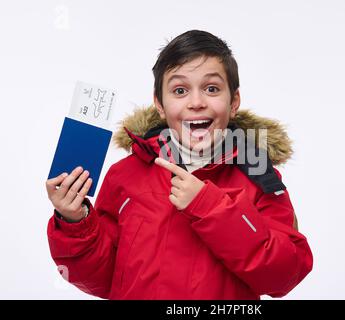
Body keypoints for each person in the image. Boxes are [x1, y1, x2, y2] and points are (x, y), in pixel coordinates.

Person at [45, 30, 313, 300]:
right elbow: (103, 279)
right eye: (180, 90)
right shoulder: (125, 175)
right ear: (159, 104)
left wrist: (210, 206)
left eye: (211, 89)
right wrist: (75, 222)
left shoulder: (259, 175)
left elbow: (284, 274)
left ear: (234, 102)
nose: (196, 103)